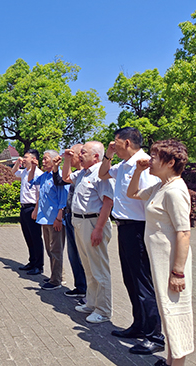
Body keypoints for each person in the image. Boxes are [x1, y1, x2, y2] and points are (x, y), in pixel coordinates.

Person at [98, 127, 165, 354]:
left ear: (127, 142)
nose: (113, 145)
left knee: (143, 282)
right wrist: (107, 155)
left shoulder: (143, 163)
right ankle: (139, 325)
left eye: (115, 142)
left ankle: (154, 336)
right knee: (130, 279)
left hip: (139, 227)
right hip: (124, 227)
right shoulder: (124, 164)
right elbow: (103, 174)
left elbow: (150, 199)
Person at [126, 139, 193, 366]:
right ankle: (171, 360)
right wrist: (138, 170)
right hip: (159, 261)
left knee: (175, 313)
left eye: (155, 157)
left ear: (171, 162)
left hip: (171, 263)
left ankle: (178, 363)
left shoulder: (174, 190)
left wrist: (178, 272)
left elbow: (184, 232)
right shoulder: (161, 186)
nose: (150, 160)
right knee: (167, 310)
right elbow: (132, 193)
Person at [61, 141, 114, 324]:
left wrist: (98, 229)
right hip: (80, 222)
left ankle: (103, 310)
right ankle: (91, 303)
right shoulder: (83, 173)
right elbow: (66, 177)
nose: (80, 155)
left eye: (84, 152)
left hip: (93, 222)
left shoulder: (102, 174)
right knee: (88, 267)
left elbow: (108, 202)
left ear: (96, 156)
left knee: (99, 269)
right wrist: (66, 160)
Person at [28, 150, 69, 290]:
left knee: (56, 250)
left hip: (54, 219)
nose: (43, 161)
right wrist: (33, 167)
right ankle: (57, 275)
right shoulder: (44, 176)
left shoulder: (60, 177)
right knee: (50, 249)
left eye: (46, 159)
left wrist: (59, 217)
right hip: (44, 218)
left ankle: (56, 281)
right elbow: (30, 181)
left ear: (54, 160)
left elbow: (63, 198)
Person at [52, 144, 87, 298]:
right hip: (71, 217)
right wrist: (59, 165)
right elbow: (60, 180)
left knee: (83, 256)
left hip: (84, 220)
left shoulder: (88, 173)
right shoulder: (76, 174)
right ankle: (80, 287)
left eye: (71, 153)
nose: (69, 156)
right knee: (73, 255)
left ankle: (88, 291)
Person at [11, 149, 44, 275]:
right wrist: (17, 163)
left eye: (26, 157)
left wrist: (36, 210)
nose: (24, 159)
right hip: (24, 207)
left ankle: (39, 265)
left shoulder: (38, 174)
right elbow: (12, 173)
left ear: (34, 159)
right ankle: (32, 261)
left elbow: (39, 194)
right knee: (28, 237)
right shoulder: (25, 172)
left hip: (32, 207)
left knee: (36, 237)